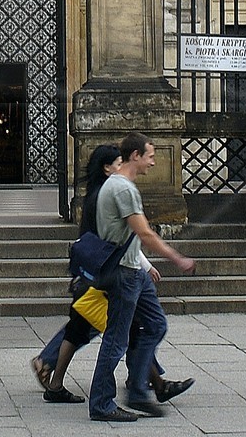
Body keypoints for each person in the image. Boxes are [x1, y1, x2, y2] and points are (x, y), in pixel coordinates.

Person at [30, 144, 193, 405]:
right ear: (109, 166)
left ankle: (148, 383)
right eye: (118, 163)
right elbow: (124, 238)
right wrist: (152, 264)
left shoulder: (101, 192)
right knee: (113, 332)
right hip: (106, 271)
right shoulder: (114, 193)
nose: (122, 167)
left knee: (104, 329)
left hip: (98, 269)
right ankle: (125, 389)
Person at [87, 132, 195, 422]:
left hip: (134, 269)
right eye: (150, 155)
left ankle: (137, 386)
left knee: (156, 325)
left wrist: (145, 265)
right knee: (116, 340)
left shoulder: (120, 185)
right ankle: (101, 403)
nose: (154, 162)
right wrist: (177, 258)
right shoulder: (122, 189)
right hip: (123, 272)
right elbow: (143, 232)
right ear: (135, 155)